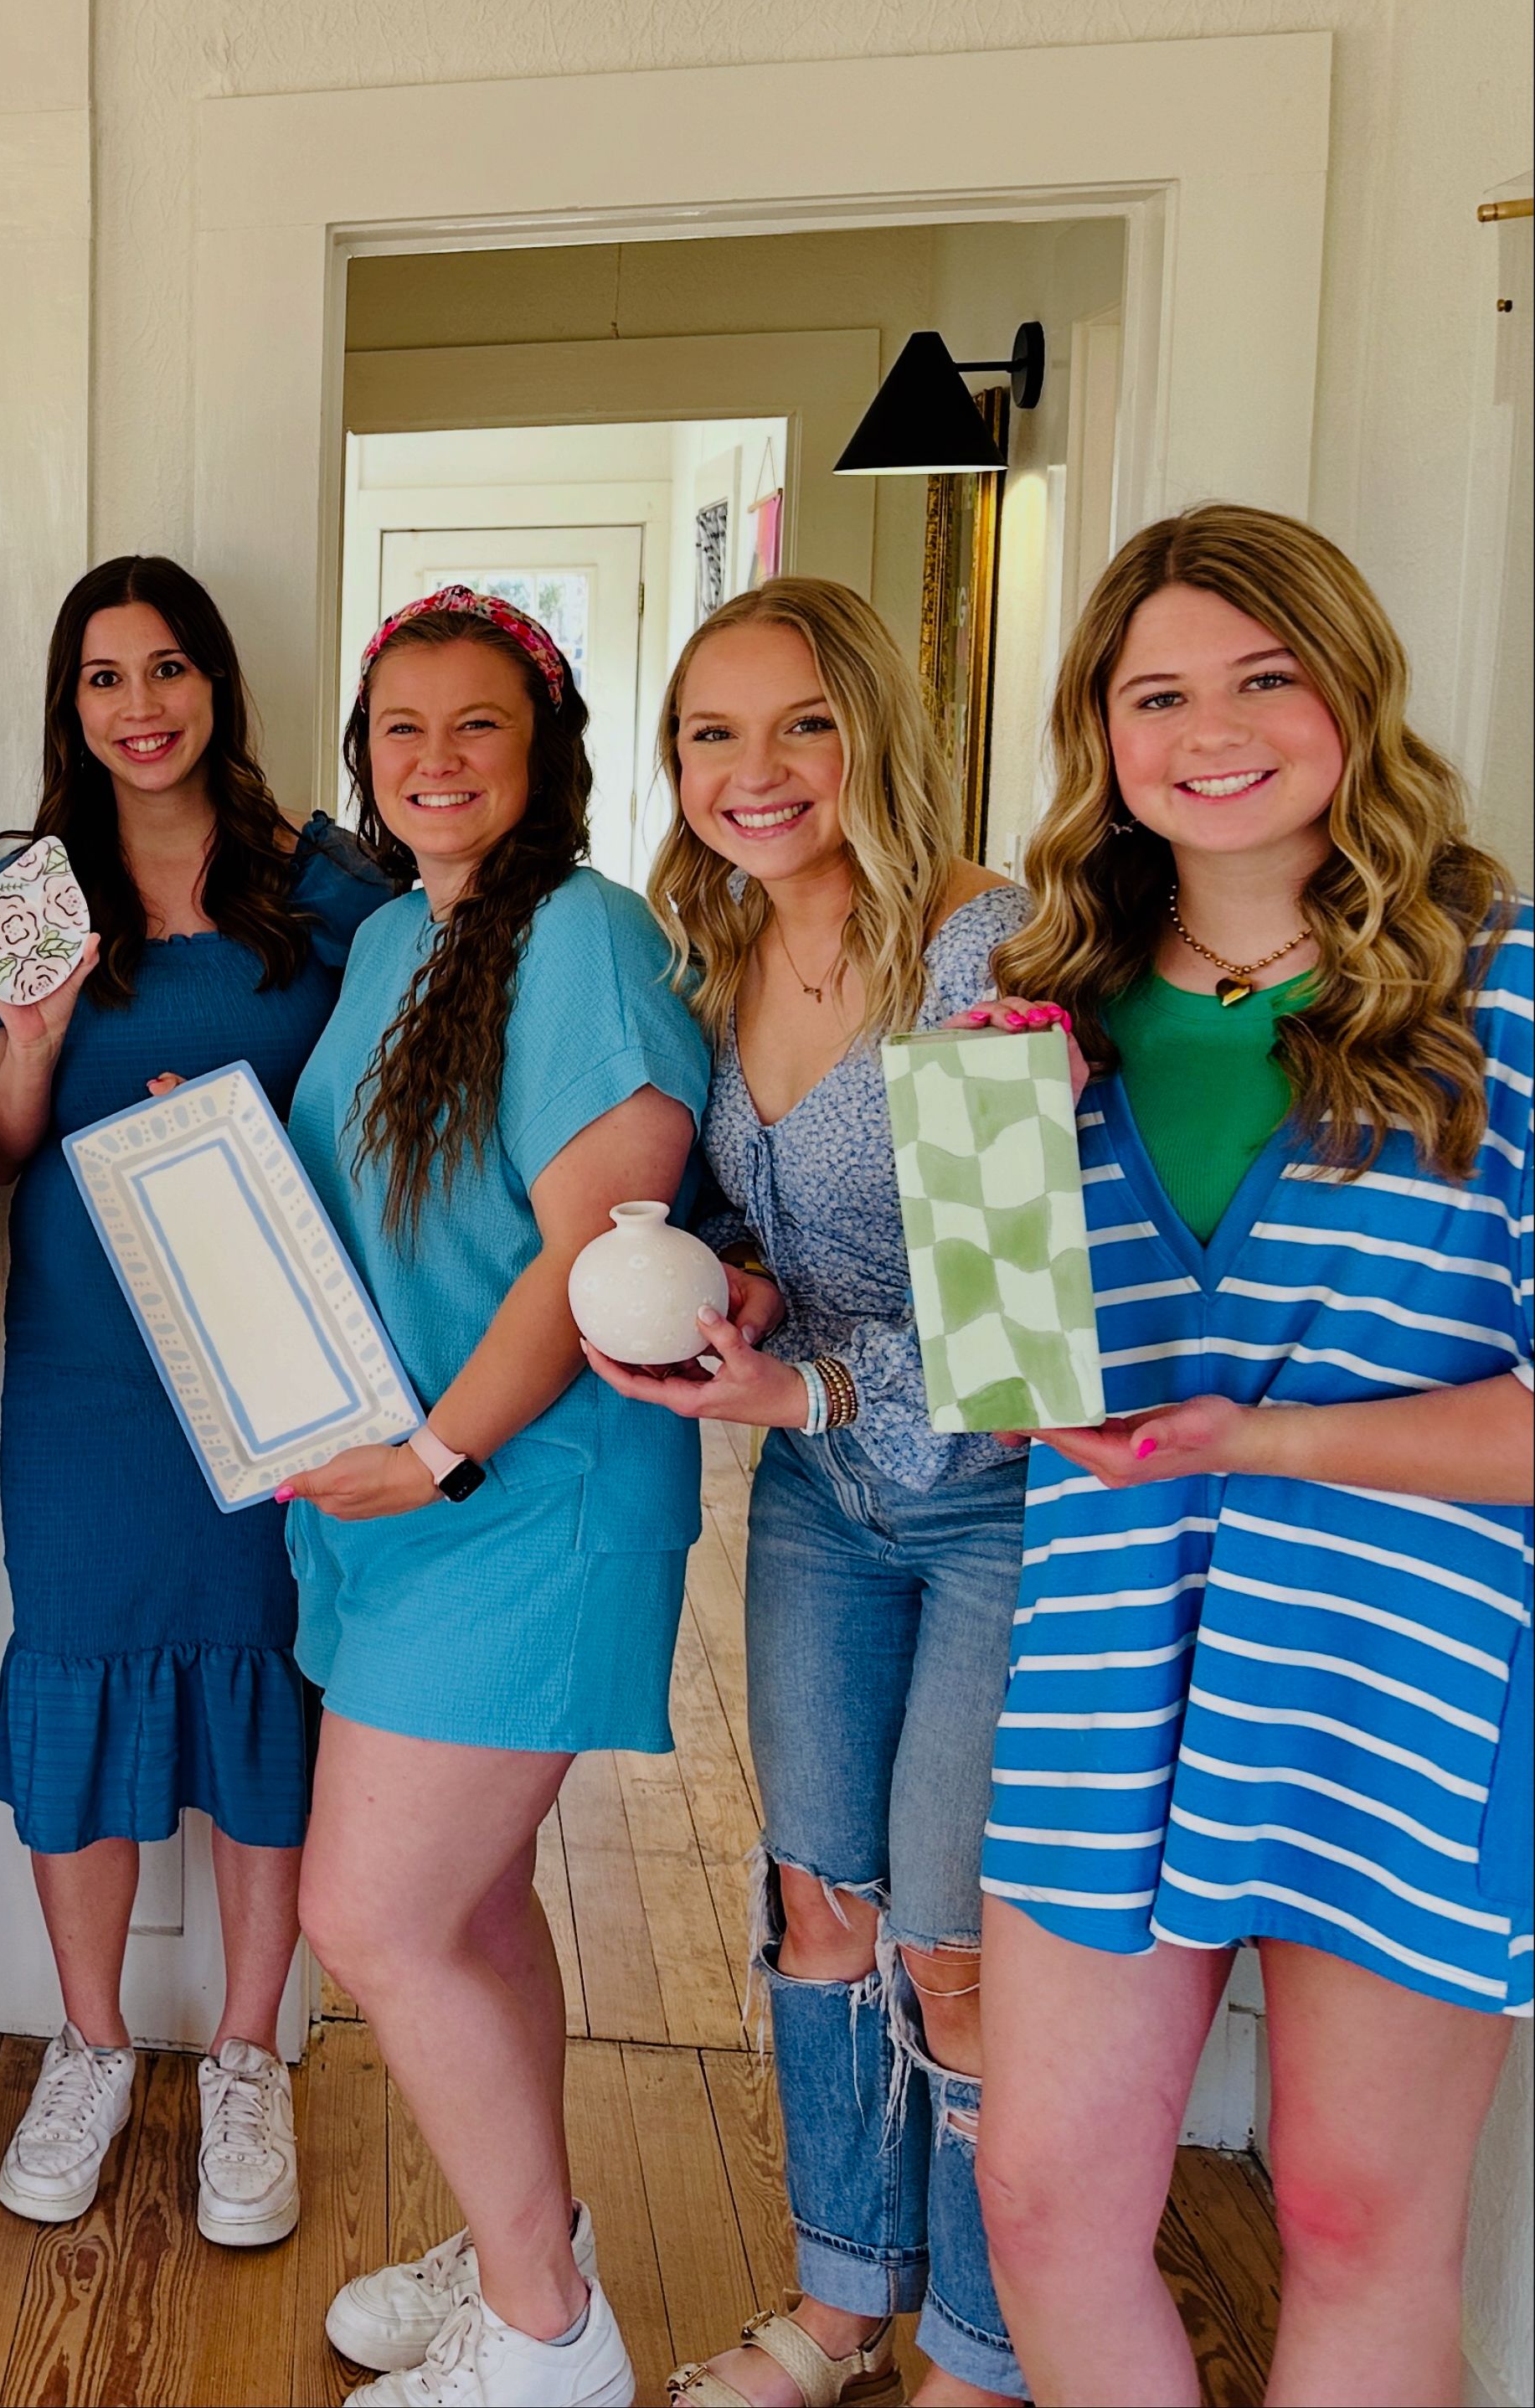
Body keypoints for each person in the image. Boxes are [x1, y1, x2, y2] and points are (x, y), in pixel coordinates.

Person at [970, 506, 1529, 2405]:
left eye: (1263, 677)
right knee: (1043, 2204)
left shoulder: (1507, 995)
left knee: (1359, 2227)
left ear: (1347, 692)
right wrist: (946, 1235)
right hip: (1105, 1668)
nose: (1212, 729)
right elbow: (1009, 1388)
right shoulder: (1031, 1019)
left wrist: (1273, 1434)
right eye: (1157, 694)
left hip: (1403, 1686)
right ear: (1103, 735)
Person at [579, 579, 1030, 2408]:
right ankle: (843, 2306)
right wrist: (737, 1285)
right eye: (712, 733)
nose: (754, 773)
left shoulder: (976, 951)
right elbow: (768, 1234)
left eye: (801, 725)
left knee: (956, 1949)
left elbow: (1022, 1338)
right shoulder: (716, 955)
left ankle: (988, 2356)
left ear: (874, 735)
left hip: (1000, 1508)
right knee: (818, 1903)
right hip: (820, 1499)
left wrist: (811, 1374)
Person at [284, 588, 710, 2407]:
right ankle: (525, 2235)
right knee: (465, 1910)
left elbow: (596, 1256)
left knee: (372, 1919)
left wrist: (448, 1448)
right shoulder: (397, 937)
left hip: (522, 1491)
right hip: (404, 1494)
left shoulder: (588, 934)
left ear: (543, 753)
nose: (434, 760)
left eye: (476, 727)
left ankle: (547, 2340)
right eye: (402, 729)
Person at [0, 554, 389, 2243]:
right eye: (103, 679)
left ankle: (247, 2060)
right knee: (77, 1664)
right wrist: (41, 1034)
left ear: (218, 683)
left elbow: (388, 1115)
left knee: (263, 1685)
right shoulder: (25, 886)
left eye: (168, 670)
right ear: (68, 708)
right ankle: (89, 2046)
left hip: (280, 1362)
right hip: (85, 1361)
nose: (140, 708)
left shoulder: (330, 886)